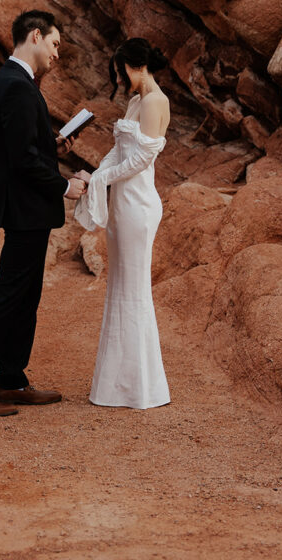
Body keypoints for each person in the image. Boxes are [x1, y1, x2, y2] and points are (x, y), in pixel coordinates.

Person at [0, 10, 87, 418]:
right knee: (9, 295)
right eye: (56, 44)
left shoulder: (13, 82)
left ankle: (10, 380)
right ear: (36, 36)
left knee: (25, 296)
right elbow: (22, 159)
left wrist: (53, 144)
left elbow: (24, 145)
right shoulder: (18, 86)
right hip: (26, 209)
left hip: (26, 209)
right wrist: (65, 186)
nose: (56, 54)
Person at [75, 37, 171, 409]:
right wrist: (97, 172)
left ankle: (141, 389)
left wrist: (101, 180)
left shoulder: (155, 101)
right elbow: (120, 151)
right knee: (120, 288)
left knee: (134, 290)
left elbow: (140, 162)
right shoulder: (135, 101)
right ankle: (116, 386)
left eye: (122, 71)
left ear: (134, 65)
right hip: (122, 203)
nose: (122, 79)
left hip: (138, 204)